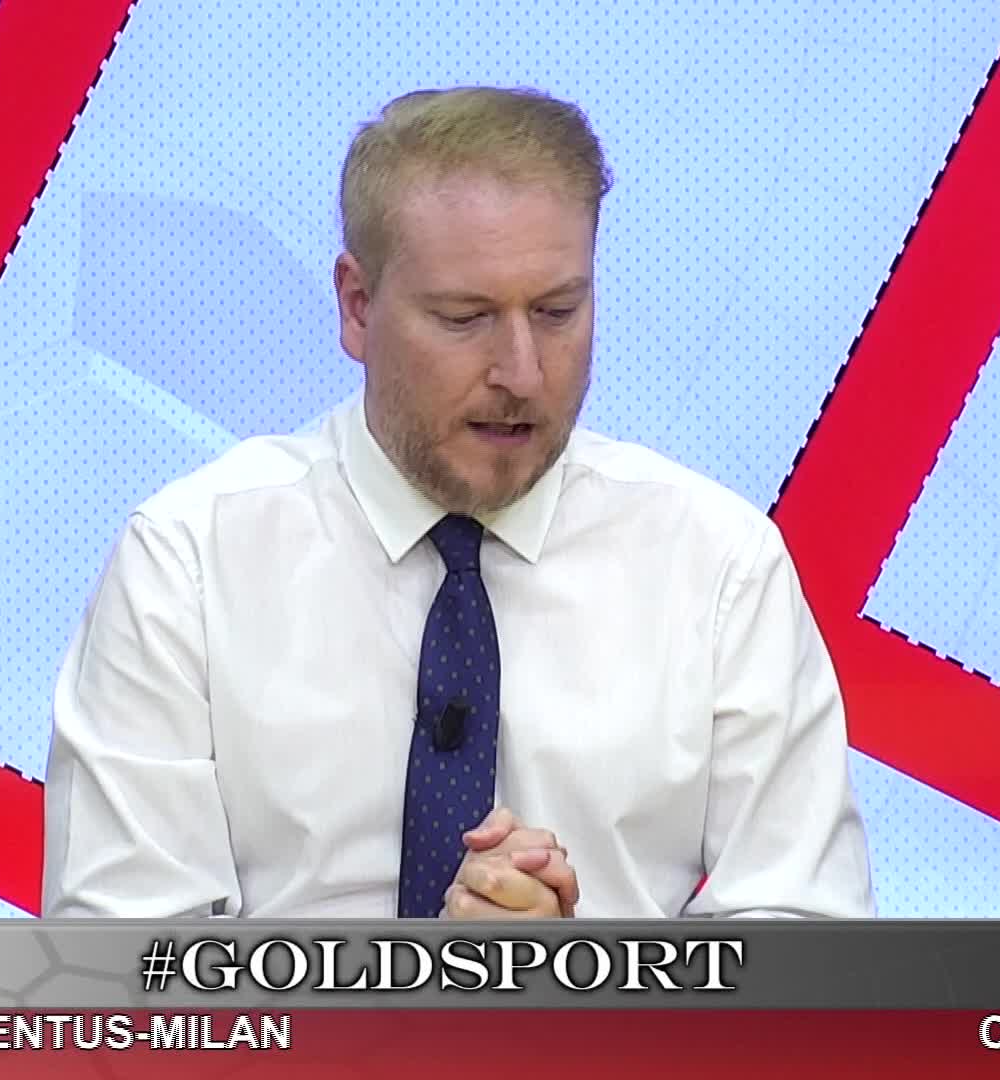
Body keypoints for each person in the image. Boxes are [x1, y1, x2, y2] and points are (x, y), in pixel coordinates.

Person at [42, 86, 874, 919]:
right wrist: (408, 986)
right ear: (357, 306)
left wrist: (581, 980)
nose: (522, 372)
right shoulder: (189, 563)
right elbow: (118, 968)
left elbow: (810, 949)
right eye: (465, 318)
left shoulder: (719, 565)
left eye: (556, 312)